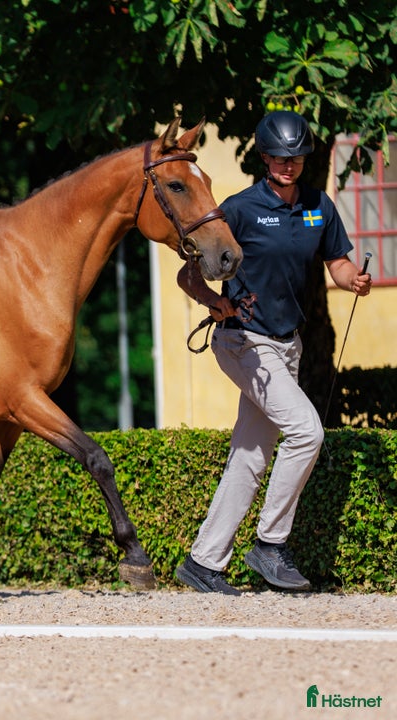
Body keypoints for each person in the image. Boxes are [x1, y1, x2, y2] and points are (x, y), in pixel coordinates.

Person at [175, 110, 372, 595]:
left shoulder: (317, 207)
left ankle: (203, 561)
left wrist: (355, 282)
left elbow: (338, 264)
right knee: (307, 432)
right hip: (243, 339)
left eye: (297, 157)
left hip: (287, 344)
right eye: (280, 157)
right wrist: (212, 301)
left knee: (251, 452)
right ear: (265, 157)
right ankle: (270, 544)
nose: (289, 165)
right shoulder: (240, 209)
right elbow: (189, 274)